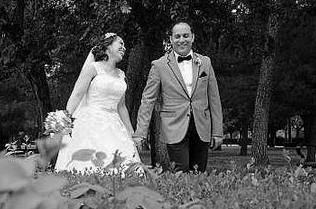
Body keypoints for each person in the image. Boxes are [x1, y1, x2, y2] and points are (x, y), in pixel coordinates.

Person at [132, 22, 223, 172]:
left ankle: (197, 196)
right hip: (174, 125)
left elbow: (214, 99)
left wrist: (217, 132)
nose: (182, 40)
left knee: (199, 171)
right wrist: (140, 133)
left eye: (186, 36)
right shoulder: (159, 66)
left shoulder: (205, 62)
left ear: (192, 37)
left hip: (201, 126)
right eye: (177, 36)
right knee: (181, 170)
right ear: (171, 39)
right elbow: (148, 101)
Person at [54, 32, 142, 174]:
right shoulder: (93, 68)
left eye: (125, 45)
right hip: (90, 122)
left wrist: (132, 133)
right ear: (108, 46)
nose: (124, 48)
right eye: (120, 43)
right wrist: (64, 118)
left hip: (115, 124)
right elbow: (77, 94)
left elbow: (122, 107)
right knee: (90, 166)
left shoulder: (121, 74)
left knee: (121, 167)